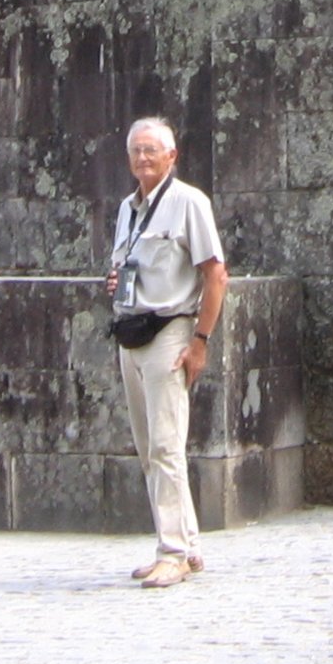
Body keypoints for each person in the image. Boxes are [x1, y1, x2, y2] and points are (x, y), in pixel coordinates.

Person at [104, 115, 226, 588]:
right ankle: (183, 542)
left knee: (166, 444)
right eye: (136, 149)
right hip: (131, 332)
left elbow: (216, 274)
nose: (142, 157)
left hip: (171, 331)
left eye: (151, 150)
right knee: (146, 446)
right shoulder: (127, 209)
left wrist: (200, 342)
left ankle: (172, 552)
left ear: (171, 156)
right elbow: (127, 265)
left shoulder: (187, 202)